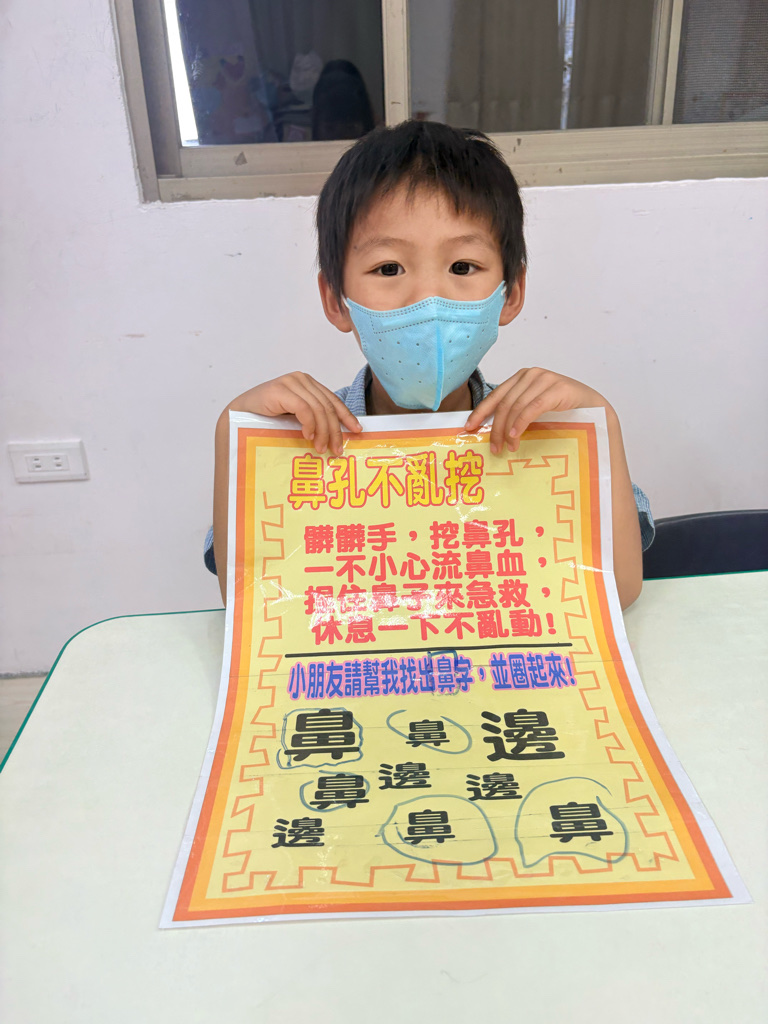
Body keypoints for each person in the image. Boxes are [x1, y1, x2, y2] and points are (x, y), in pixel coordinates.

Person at [208, 120, 653, 607]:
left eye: (462, 267)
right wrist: (239, 432)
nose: (428, 299)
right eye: (388, 268)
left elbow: (618, 589)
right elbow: (251, 601)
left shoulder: (546, 434)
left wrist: (599, 423)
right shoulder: (296, 442)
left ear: (511, 293)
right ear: (336, 300)